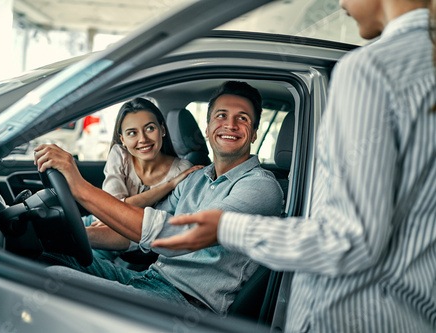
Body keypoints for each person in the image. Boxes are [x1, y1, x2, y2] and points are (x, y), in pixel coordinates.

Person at [152, 1, 436, 332]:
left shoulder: (371, 68)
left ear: (254, 132)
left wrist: (226, 227)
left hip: (351, 316)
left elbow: (349, 242)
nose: (341, 2)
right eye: (221, 116)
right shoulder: (423, 65)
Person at [33, 81, 284, 315]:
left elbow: (183, 235)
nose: (230, 125)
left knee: (56, 278)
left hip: (187, 304)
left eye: (242, 119)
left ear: (253, 134)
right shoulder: (195, 179)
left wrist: (79, 188)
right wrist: (69, 235)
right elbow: (134, 237)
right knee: (47, 255)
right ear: (207, 129)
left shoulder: (261, 188)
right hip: (152, 280)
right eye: (221, 116)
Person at [84, 97, 201, 257]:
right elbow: (111, 208)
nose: (143, 139)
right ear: (123, 139)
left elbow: (117, 212)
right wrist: (168, 185)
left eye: (150, 128)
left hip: (129, 240)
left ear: (163, 130)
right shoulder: (120, 154)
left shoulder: (182, 170)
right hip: (98, 221)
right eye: (132, 133)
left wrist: (112, 210)